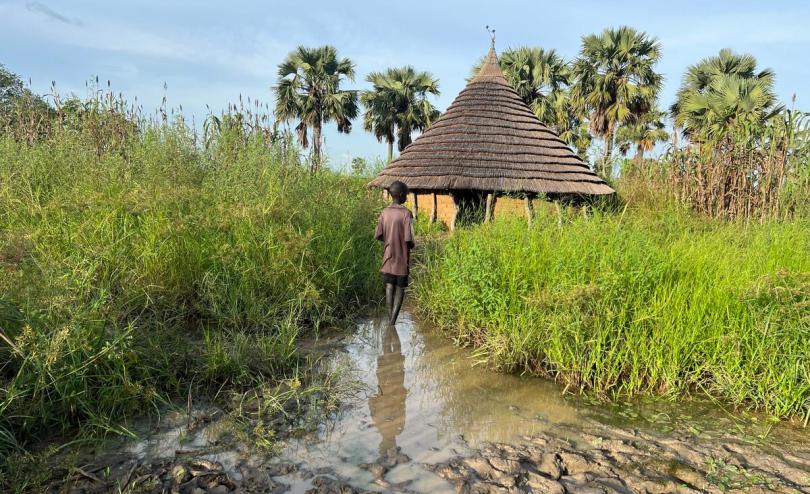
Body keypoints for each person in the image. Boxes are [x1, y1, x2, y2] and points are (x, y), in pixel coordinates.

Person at [374, 181, 414, 325]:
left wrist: (389, 240)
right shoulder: (406, 214)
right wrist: (412, 245)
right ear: (402, 195)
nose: (407, 198)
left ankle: (390, 320)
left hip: (388, 257)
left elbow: (378, 235)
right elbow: (408, 239)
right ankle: (393, 321)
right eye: (406, 195)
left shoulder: (384, 212)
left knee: (389, 286)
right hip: (402, 258)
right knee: (400, 287)